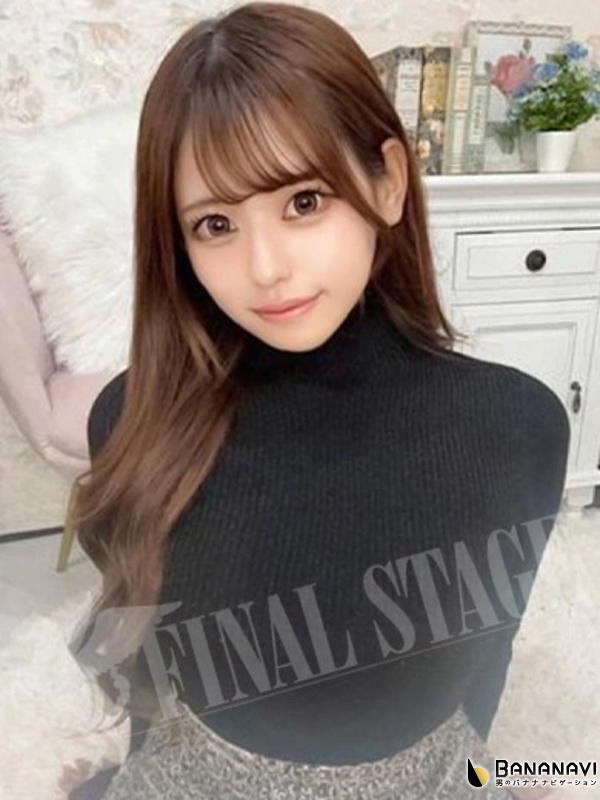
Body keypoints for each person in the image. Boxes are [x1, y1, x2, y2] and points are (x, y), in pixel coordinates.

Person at [65, 3, 570, 798]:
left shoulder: (522, 427)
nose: (266, 268)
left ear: (388, 182)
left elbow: (483, 674)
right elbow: (148, 683)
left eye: (303, 201)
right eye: (215, 224)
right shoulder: (133, 424)